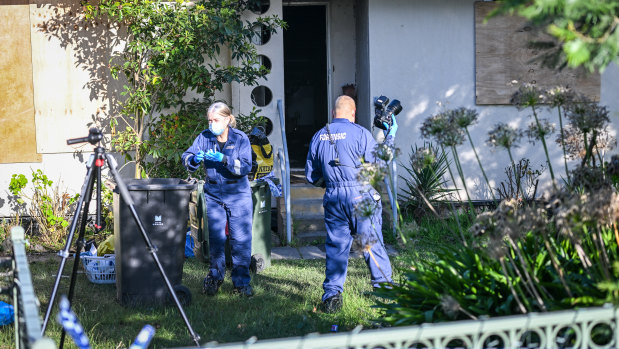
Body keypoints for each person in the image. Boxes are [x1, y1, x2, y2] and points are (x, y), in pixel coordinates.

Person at [305, 95, 398, 313]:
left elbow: (312, 176)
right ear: (353, 113)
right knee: (370, 244)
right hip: (360, 195)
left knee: (337, 248)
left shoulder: (319, 136)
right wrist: (390, 135)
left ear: (333, 113)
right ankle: (384, 292)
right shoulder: (360, 133)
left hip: (334, 198)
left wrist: (332, 183)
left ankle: (332, 296)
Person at [182, 102, 254, 297]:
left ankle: (241, 282)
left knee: (240, 240)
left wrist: (224, 159)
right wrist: (194, 160)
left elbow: (246, 168)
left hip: (237, 194)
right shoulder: (204, 137)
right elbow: (187, 157)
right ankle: (215, 277)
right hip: (213, 194)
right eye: (210, 120)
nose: (212, 124)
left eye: (216, 120)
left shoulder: (240, 139)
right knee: (216, 239)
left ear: (228, 119)